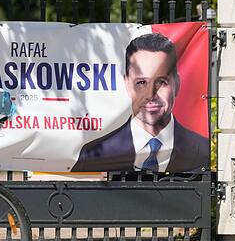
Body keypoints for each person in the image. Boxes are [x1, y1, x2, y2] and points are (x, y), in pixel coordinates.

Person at [71, 32, 208, 173]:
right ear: (127, 85)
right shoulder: (93, 154)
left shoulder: (204, 151)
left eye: (161, 82)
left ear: (177, 84)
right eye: (141, 82)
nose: (150, 95)